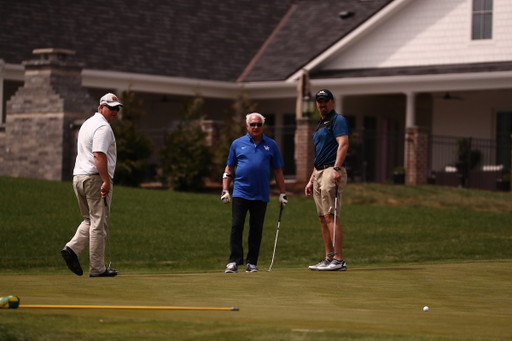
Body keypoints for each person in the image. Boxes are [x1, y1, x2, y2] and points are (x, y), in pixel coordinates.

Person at [61, 93, 122, 277]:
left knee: (90, 219)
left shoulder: (87, 123)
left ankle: (71, 249)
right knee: (98, 223)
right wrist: (105, 180)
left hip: (78, 177)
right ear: (101, 107)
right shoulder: (103, 127)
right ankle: (97, 268)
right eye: (111, 107)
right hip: (94, 178)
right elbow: (98, 155)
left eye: (117, 108)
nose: (114, 111)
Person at [221, 113, 288, 273]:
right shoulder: (237, 144)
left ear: (263, 126)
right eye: (253, 125)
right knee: (237, 226)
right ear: (247, 126)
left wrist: (283, 193)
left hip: (261, 194)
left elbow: (278, 171)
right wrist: (225, 189)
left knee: (256, 228)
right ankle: (234, 261)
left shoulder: (271, 145)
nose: (256, 127)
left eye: (259, 124)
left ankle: (252, 263)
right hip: (240, 192)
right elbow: (229, 169)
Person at [305, 89, 350, 271]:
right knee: (323, 218)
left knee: (331, 216)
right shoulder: (320, 124)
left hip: (332, 170)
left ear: (332, 102)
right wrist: (311, 180)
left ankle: (338, 260)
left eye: (325, 101)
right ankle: (328, 257)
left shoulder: (337, 120)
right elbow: (319, 156)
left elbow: (343, 144)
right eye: (319, 101)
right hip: (319, 173)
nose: (321, 104)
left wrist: (337, 168)